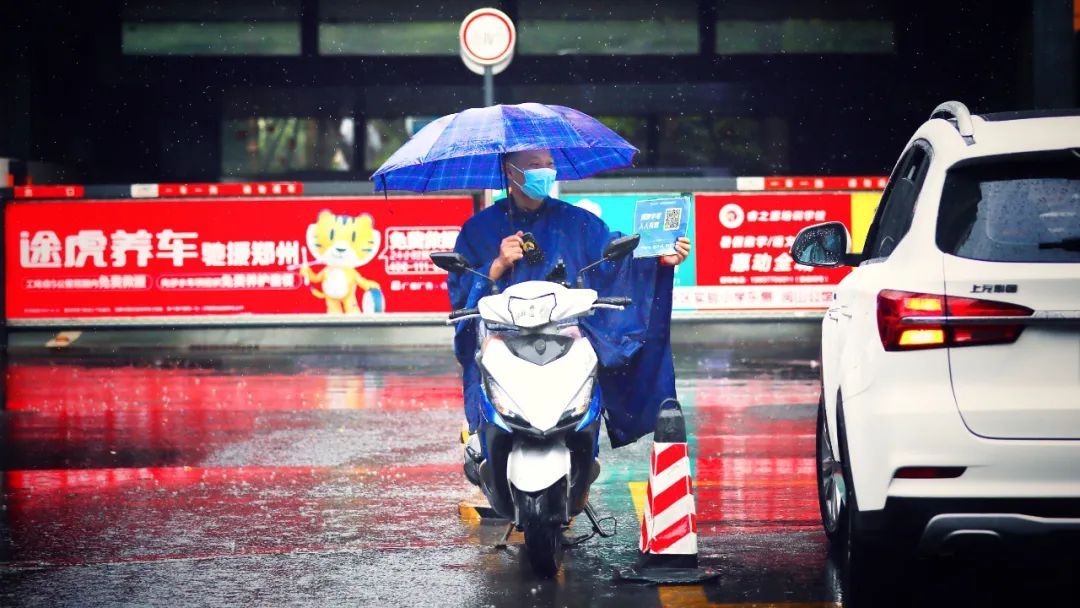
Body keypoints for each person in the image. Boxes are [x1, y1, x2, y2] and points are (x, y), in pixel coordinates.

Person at [449, 148, 691, 452]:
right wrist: (497, 264)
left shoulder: (577, 222)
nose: (545, 172)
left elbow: (613, 261)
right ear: (510, 173)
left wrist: (657, 259)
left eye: (549, 164)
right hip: (503, 340)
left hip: (565, 338)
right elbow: (462, 291)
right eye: (534, 165)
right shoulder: (478, 229)